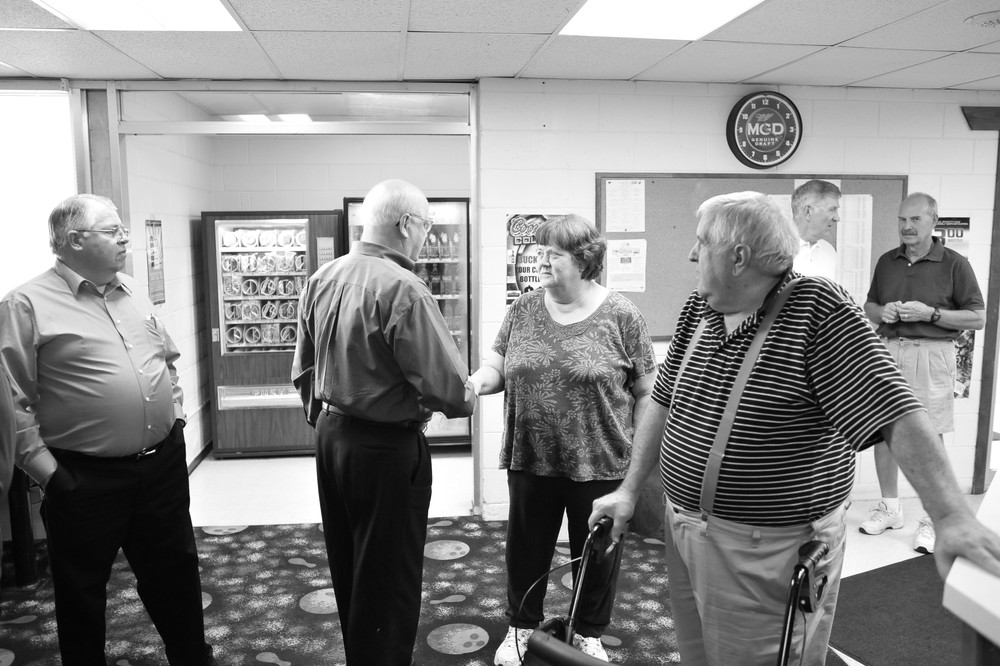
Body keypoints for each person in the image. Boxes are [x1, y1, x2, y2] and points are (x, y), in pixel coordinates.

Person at [589, 191, 1000, 666]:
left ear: (738, 256)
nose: (691, 253)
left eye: (702, 242)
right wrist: (629, 489)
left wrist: (951, 519)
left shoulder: (817, 309)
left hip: (766, 550)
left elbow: (897, 411)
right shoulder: (700, 308)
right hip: (684, 529)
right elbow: (663, 401)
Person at [0, 194, 215, 665]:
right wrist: (50, 474)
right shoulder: (25, 305)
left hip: (160, 467)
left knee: (176, 573)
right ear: (75, 240)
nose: (125, 239)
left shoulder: (132, 290)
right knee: (81, 591)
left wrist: (176, 417)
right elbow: (10, 404)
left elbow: (166, 360)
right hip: (84, 478)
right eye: (113, 231)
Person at [291, 179, 475, 665]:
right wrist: (471, 391)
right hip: (385, 449)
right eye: (427, 226)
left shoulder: (323, 277)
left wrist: (329, 422)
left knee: (349, 562)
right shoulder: (404, 289)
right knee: (389, 578)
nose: (426, 236)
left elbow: (303, 370)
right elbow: (450, 391)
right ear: (406, 223)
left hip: (333, 438)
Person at [468, 215, 657, 665]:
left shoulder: (622, 314)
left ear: (584, 260)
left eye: (553, 254)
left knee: (597, 553)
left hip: (600, 459)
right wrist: (472, 384)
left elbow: (648, 392)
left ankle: (588, 631)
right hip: (531, 455)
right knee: (525, 549)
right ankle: (520, 627)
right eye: (539, 252)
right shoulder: (523, 309)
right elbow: (496, 368)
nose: (541, 261)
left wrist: (638, 462)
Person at [861, 192, 985, 553]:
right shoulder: (887, 261)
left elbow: (977, 317)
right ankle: (890, 508)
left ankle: (933, 520)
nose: (907, 226)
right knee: (884, 432)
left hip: (932, 354)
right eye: (902, 219)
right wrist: (881, 312)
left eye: (915, 219)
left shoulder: (955, 264)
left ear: (934, 221)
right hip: (888, 351)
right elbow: (870, 304)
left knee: (929, 438)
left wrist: (931, 314)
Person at [791, 179, 841, 280]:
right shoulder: (775, 252)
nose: (837, 218)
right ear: (808, 211)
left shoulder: (829, 251)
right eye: (832, 209)